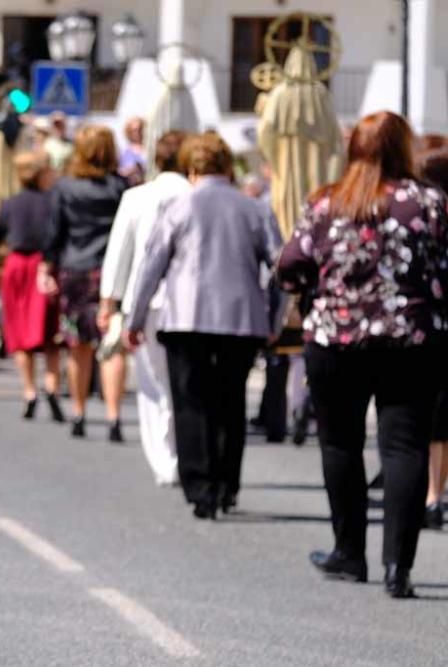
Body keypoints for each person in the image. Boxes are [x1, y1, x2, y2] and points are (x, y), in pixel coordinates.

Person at [277, 111, 448, 598]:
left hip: (337, 338)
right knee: (404, 447)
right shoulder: (431, 203)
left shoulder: (328, 202)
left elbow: (290, 266)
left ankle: (349, 551)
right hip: (412, 338)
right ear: (403, 148)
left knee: (340, 444)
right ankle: (400, 566)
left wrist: (318, 289)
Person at [124, 132, 282, 519]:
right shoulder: (254, 209)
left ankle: (199, 487)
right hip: (242, 318)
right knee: (230, 401)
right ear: (229, 168)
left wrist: (136, 316)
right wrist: (275, 317)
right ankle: (227, 484)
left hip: (186, 317)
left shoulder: (179, 207)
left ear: (192, 169)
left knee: (190, 399)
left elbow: (152, 265)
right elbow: (280, 268)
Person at [99, 130, 190, 485]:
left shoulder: (137, 197)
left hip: (146, 300)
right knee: (183, 380)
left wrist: (109, 300)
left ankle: (163, 459)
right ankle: (182, 452)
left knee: (153, 383)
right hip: (188, 303)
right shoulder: (194, 196)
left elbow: (119, 253)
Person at [42, 125, 128, 439]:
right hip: (112, 271)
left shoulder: (65, 187)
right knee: (112, 344)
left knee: (78, 345)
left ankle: (78, 412)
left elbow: (55, 232)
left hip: (75, 269)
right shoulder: (120, 187)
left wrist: (46, 268)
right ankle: (114, 416)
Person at [0, 150, 64, 422]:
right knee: (49, 334)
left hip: (16, 268)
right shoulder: (54, 202)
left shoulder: (10, 204)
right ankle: (51, 386)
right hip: (44, 267)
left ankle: (29, 390)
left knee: (20, 333)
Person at [417, 142, 448, 530]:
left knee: (431, 418)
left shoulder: (426, 219)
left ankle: (430, 494)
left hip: (431, 329)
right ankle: (434, 493)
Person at [119, 117, 147, 186]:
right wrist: (132, 170)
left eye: (140, 129)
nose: (138, 133)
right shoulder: (123, 152)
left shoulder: (150, 149)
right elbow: (119, 172)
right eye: (134, 130)